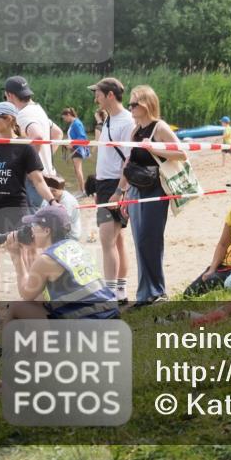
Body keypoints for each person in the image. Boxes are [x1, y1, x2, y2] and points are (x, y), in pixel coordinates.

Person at [0, 102, 57, 328]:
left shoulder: (25, 148)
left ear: (9, 119)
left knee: (23, 262)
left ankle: (34, 309)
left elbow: (37, 180)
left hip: (16, 210)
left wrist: (53, 201)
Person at [116, 85, 186, 306]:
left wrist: (154, 148)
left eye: (134, 103)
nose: (130, 107)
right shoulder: (134, 130)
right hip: (136, 188)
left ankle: (157, 292)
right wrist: (122, 191)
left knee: (150, 240)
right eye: (130, 104)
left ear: (146, 104)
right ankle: (145, 294)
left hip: (156, 189)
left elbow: (182, 153)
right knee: (139, 241)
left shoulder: (159, 127)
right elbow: (129, 162)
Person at [4, 204, 118, 320]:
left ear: (46, 231)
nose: (31, 229)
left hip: (90, 323)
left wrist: (16, 257)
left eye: (34, 225)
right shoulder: (76, 246)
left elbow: (26, 295)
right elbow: (40, 296)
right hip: (110, 315)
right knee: (42, 302)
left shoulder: (46, 260)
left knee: (16, 307)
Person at [90, 77, 132, 303]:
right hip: (104, 183)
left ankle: (109, 293)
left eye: (97, 93)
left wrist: (119, 190)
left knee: (107, 239)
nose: (95, 97)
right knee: (117, 240)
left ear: (110, 95)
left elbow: (129, 159)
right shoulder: (108, 119)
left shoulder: (126, 121)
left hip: (115, 184)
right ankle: (120, 290)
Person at [4, 76, 57, 208]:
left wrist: (30, 166)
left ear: (10, 95)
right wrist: (45, 158)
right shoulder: (38, 109)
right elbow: (57, 133)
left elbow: (38, 137)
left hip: (34, 178)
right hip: (46, 174)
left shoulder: (23, 114)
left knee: (33, 222)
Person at [38, 174, 81, 241]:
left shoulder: (67, 201)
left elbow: (62, 223)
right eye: (49, 190)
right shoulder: (51, 198)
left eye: (54, 191)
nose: (51, 193)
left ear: (62, 189)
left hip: (70, 234)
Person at [60, 108, 89, 194]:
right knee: (77, 170)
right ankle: (81, 189)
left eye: (64, 117)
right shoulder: (74, 123)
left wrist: (72, 144)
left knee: (78, 170)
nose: (64, 120)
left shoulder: (76, 123)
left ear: (69, 115)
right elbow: (74, 137)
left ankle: (82, 190)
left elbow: (82, 137)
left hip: (78, 149)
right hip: (76, 149)